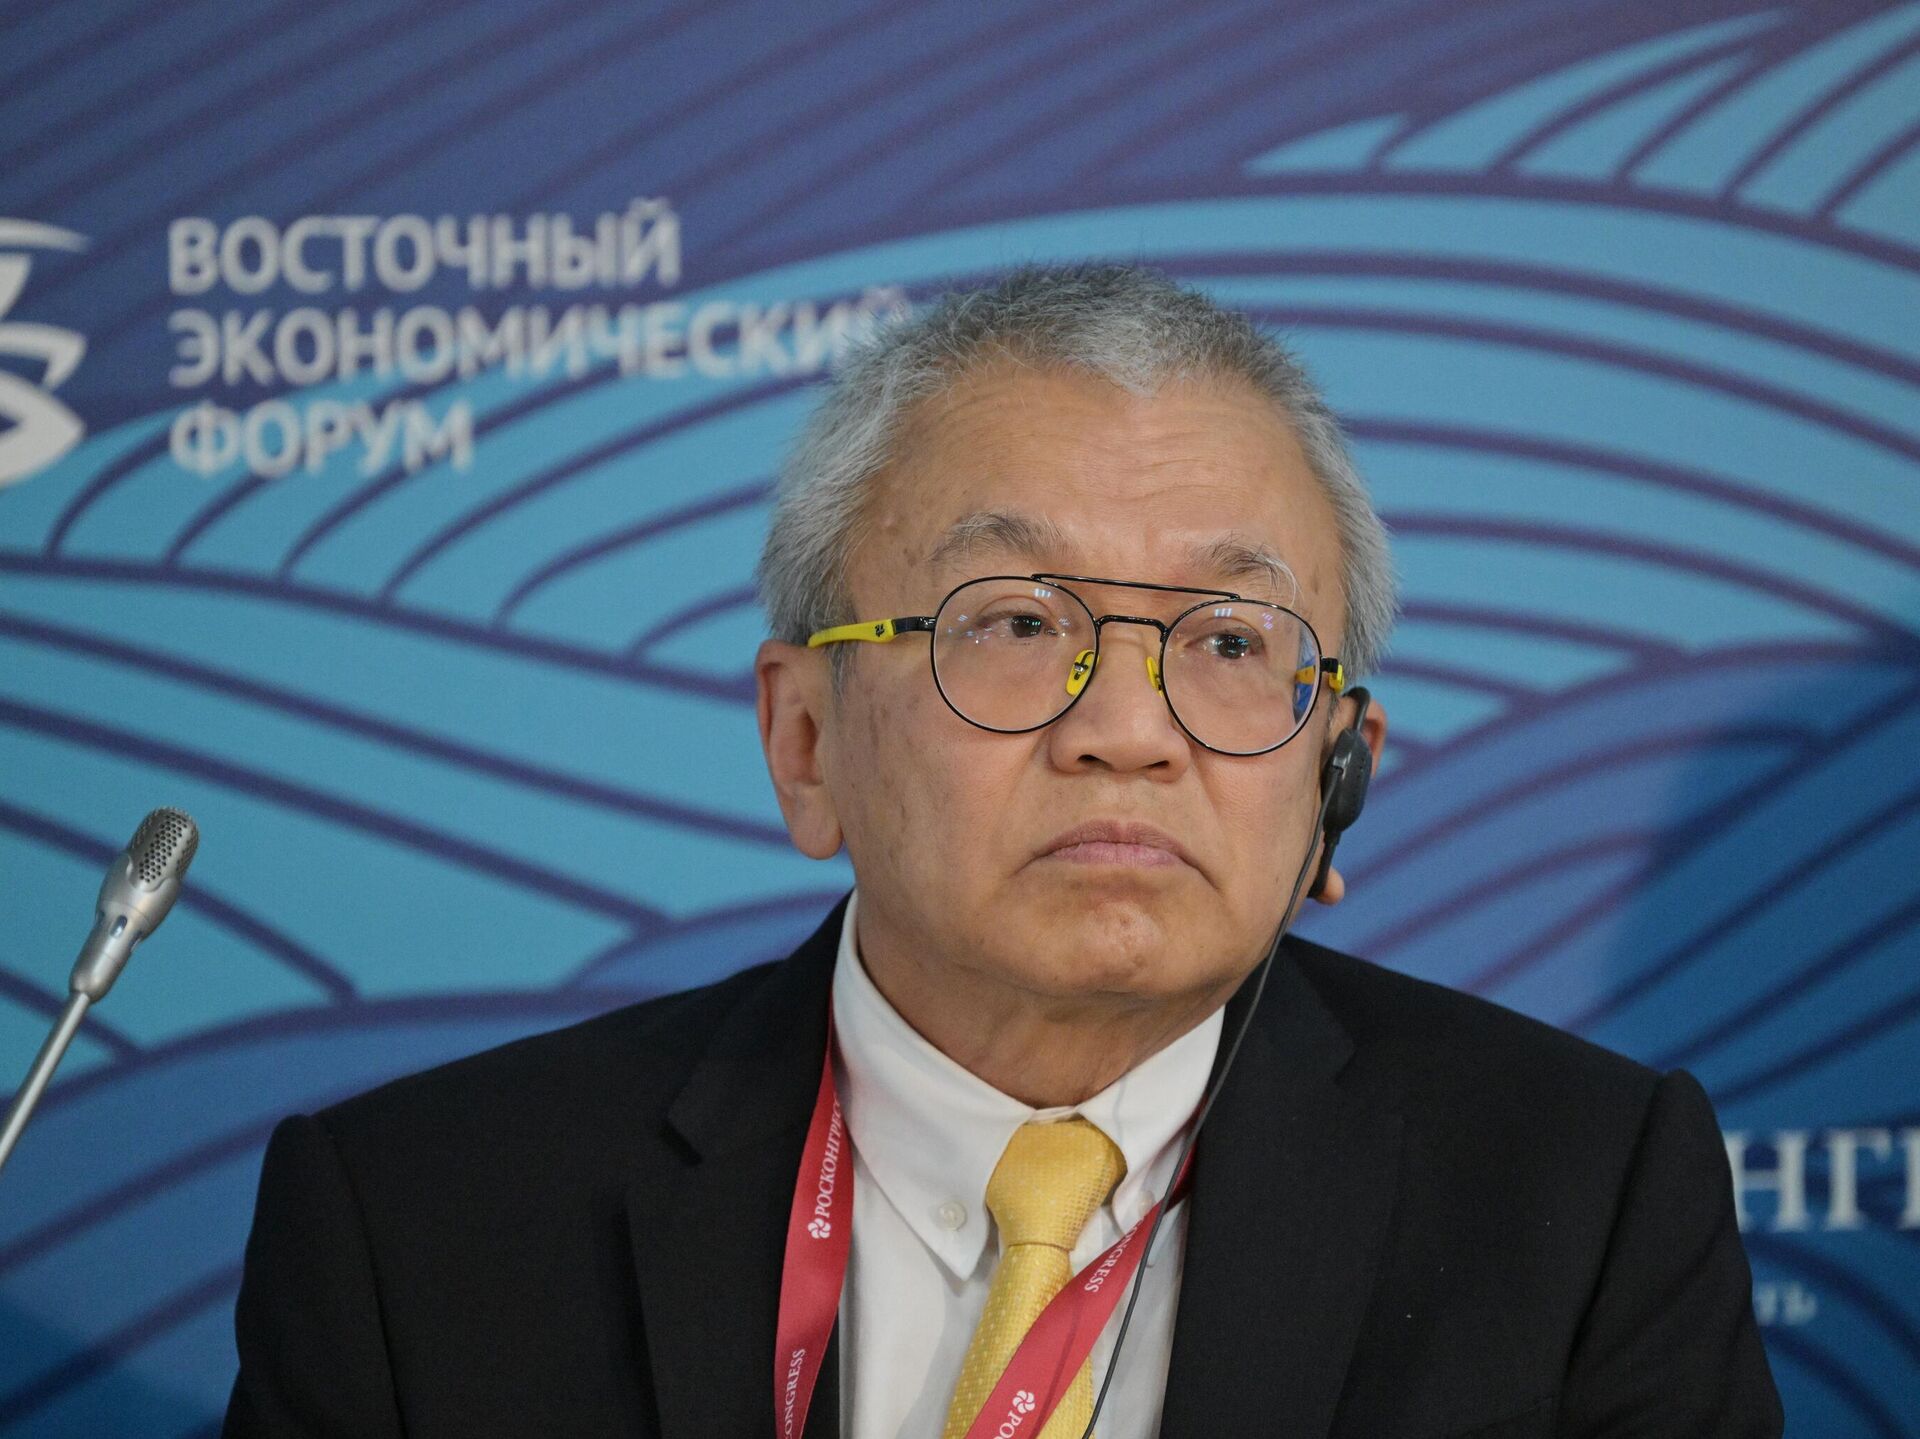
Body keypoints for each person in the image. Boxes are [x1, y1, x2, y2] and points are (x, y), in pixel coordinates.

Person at [222, 265, 1782, 1438]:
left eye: (1231, 642)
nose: (1129, 730)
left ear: (1337, 767)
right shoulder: (422, 1230)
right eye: (1018, 624)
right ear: (806, 741)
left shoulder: (1575, 1206)